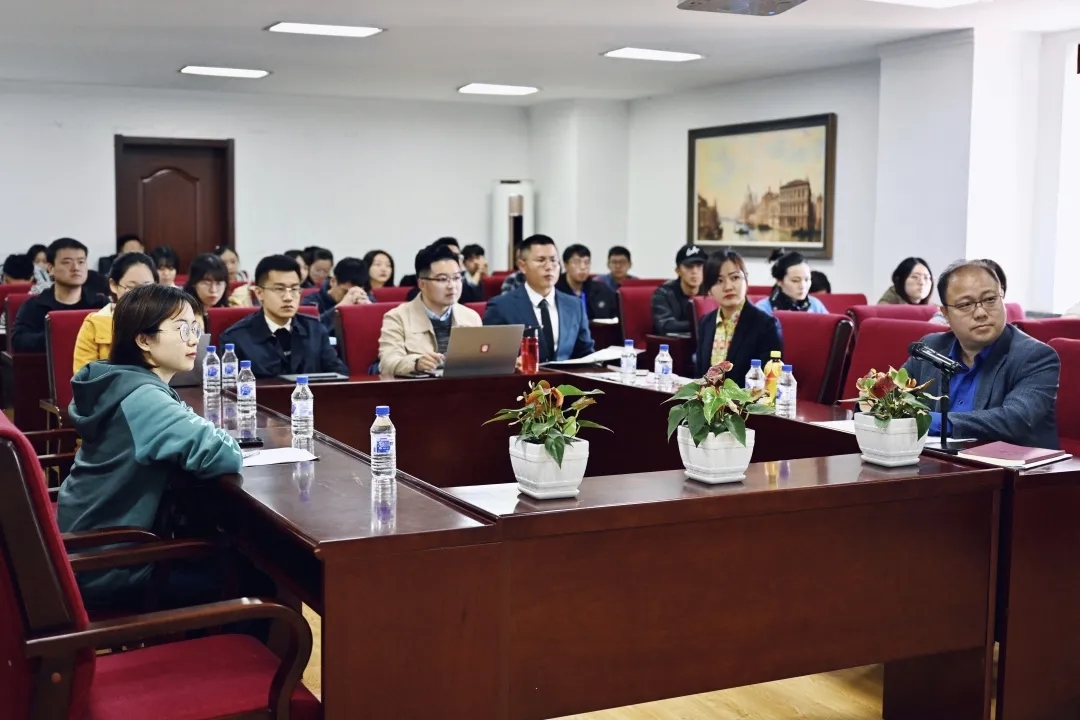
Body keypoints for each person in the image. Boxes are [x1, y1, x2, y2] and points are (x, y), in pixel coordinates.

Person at [56, 284, 245, 612]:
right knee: (250, 577)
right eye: (182, 329)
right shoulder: (144, 398)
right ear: (143, 340)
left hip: (87, 547)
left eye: (196, 329)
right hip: (111, 566)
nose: (193, 340)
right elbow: (224, 455)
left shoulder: (119, 381)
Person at [902, 259, 1059, 448]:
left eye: (990, 299)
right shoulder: (931, 347)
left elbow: (1014, 419)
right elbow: (891, 397)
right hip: (932, 460)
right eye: (965, 304)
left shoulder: (1036, 356)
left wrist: (928, 421)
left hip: (1007, 464)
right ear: (945, 314)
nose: (980, 313)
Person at [221, 255, 349, 378]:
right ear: (259, 293)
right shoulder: (236, 339)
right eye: (279, 289)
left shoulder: (315, 330)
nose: (288, 298)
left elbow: (340, 376)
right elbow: (229, 388)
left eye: (294, 289)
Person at [484, 234, 594, 362]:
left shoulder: (575, 305)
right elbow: (489, 357)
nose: (549, 267)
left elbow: (585, 354)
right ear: (522, 266)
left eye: (553, 260)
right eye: (541, 260)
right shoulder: (501, 307)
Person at [378, 244, 483, 376]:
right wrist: (416, 363)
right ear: (422, 284)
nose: (452, 286)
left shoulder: (471, 317)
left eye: (457, 278)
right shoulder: (397, 317)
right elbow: (387, 363)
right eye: (443, 279)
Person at [695, 251, 784, 383]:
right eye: (719, 281)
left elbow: (769, 382)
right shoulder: (706, 322)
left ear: (746, 281)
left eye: (735, 277)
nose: (728, 287)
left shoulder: (766, 326)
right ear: (709, 289)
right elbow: (699, 375)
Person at [12, 238, 108, 353]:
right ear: (51, 268)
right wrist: (59, 336)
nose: (76, 268)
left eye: (81, 262)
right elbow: (19, 341)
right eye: (67, 262)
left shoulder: (101, 304)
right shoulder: (35, 306)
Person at [73, 253, 158, 373]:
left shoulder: (165, 321)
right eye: (131, 287)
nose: (139, 295)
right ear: (114, 285)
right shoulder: (95, 325)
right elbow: (84, 376)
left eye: (146, 288)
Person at [301, 257, 373, 332]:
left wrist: (369, 310)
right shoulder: (311, 301)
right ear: (333, 281)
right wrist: (338, 309)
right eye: (345, 292)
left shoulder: (365, 298)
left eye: (354, 292)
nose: (350, 297)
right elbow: (308, 331)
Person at [652, 245, 706, 335]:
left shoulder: (710, 292)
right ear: (678, 270)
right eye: (689, 266)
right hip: (671, 343)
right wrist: (702, 324)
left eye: (699, 266)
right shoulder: (663, 293)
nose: (695, 271)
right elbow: (665, 325)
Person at [555, 244, 618, 321]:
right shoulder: (554, 290)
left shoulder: (602, 290)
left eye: (586, 262)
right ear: (566, 265)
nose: (583, 267)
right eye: (577, 262)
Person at [756, 250, 828, 314]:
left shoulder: (815, 305)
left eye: (807, 279)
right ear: (779, 281)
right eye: (795, 281)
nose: (802, 286)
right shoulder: (763, 309)